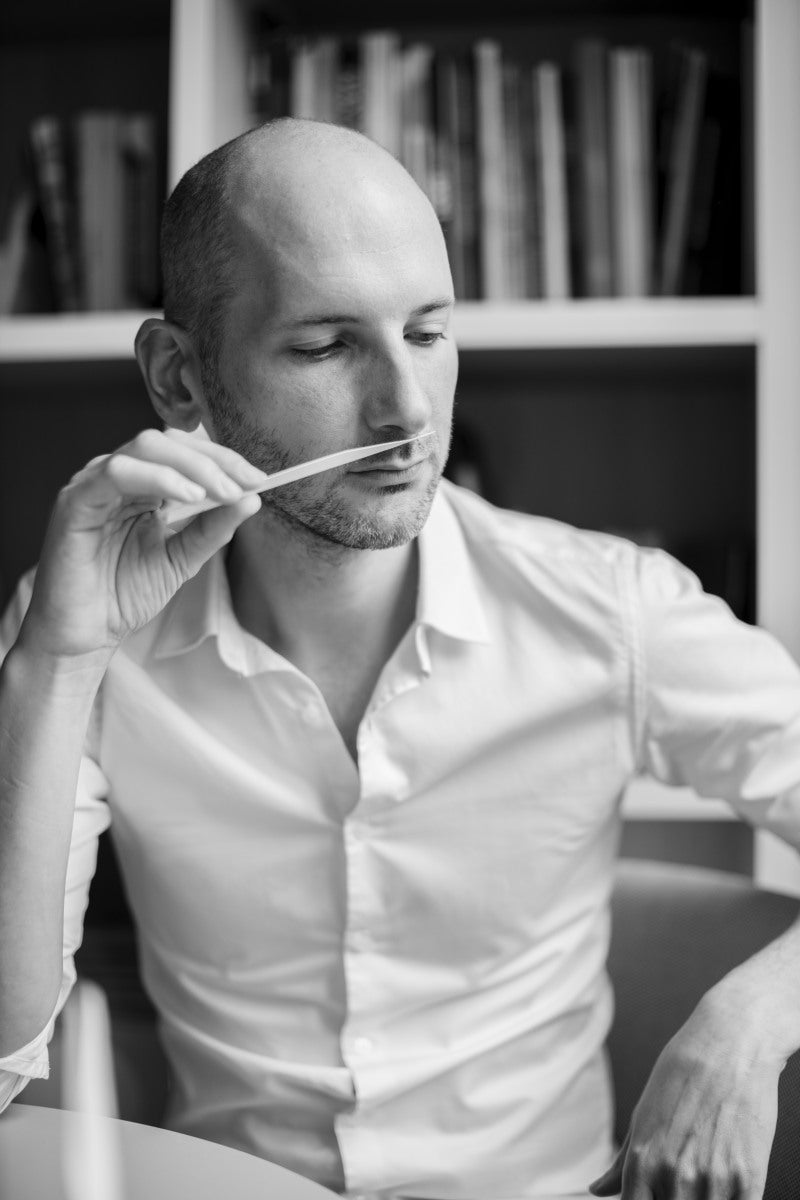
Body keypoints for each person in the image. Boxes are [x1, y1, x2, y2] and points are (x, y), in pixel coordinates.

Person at [0, 117, 799, 1200]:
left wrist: (745, 1023)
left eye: (426, 332)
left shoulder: (611, 612)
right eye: (326, 347)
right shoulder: (83, 631)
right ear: (179, 378)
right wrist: (57, 662)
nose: (407, 410)